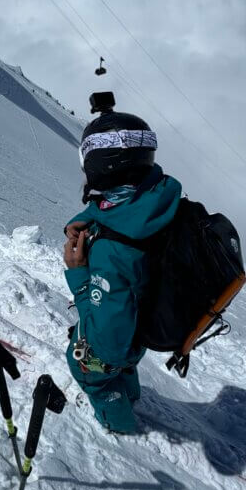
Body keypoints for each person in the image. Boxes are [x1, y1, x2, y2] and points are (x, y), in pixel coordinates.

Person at [64, 107, 181, 434]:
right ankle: (131, 390)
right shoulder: (159, 197)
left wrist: (78, 275)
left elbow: (108, 342)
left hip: (118, 338)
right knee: (125, 355)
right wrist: (91, 216)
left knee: (90, 370)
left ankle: (121, 426)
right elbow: (120, 204)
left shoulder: (112, 255)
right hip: (142, 320)